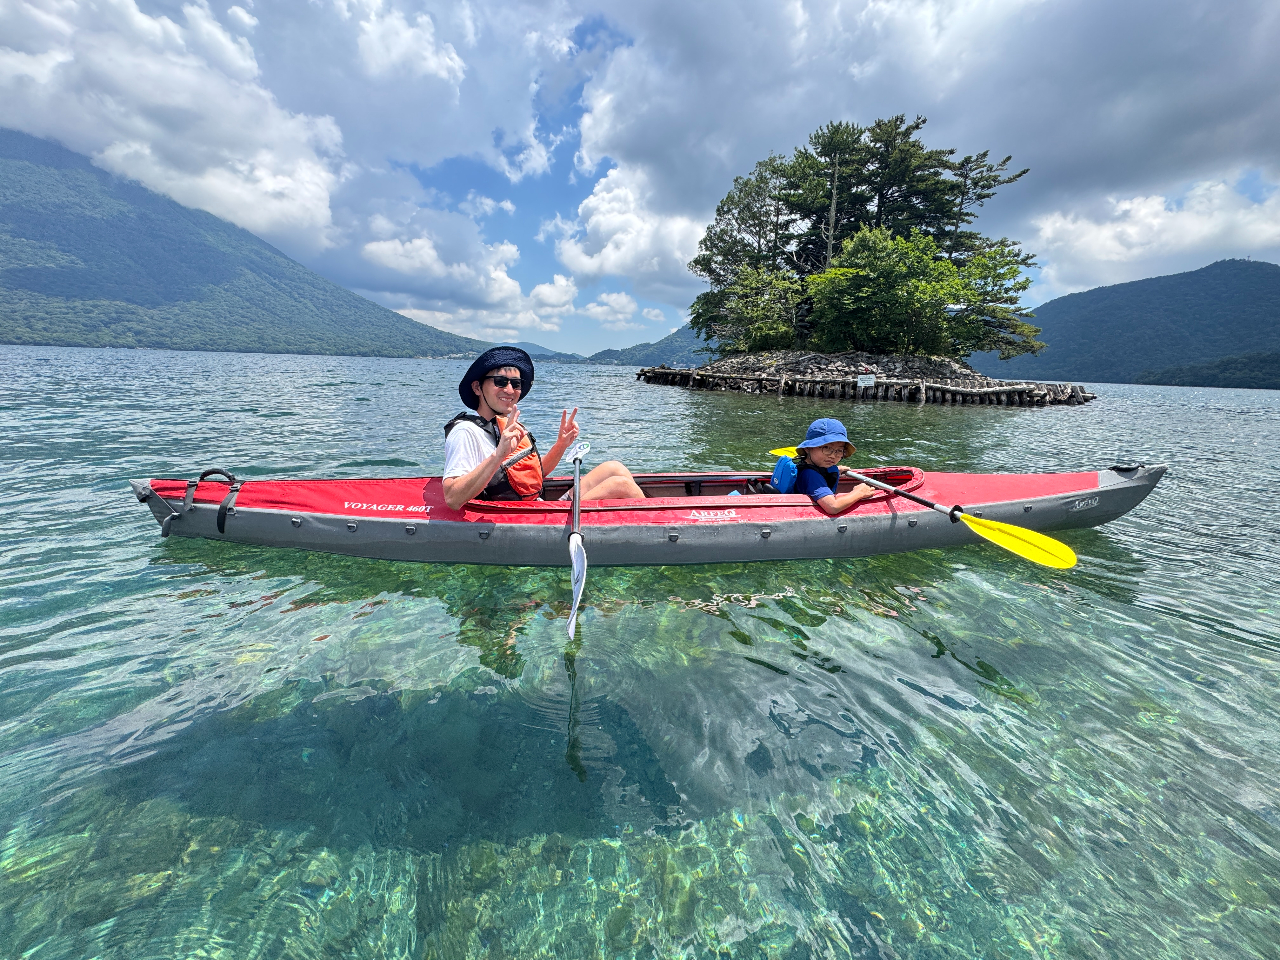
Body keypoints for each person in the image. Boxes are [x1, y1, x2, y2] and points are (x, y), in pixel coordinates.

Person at [442, 346, 646, 511]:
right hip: (521, 517)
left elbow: (532, 477)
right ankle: (656, 533)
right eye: (500, 382)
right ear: (477, 388)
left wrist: (561, 444)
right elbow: (452, 498)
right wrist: (498, 455)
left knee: (614, 468)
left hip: (537, 507)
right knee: (622, 486)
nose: (510, 390)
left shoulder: (506, 425)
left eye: (516, 383)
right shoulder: (466, 432)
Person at [793, 418, 877, 516]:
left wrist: (836, 470)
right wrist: (859, 493)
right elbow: (833, 507)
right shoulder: (812, 476)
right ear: (808, 448)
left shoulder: (807, 466)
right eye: (826, 448)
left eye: (839, 450)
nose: (833, 455)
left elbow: (818, 471)